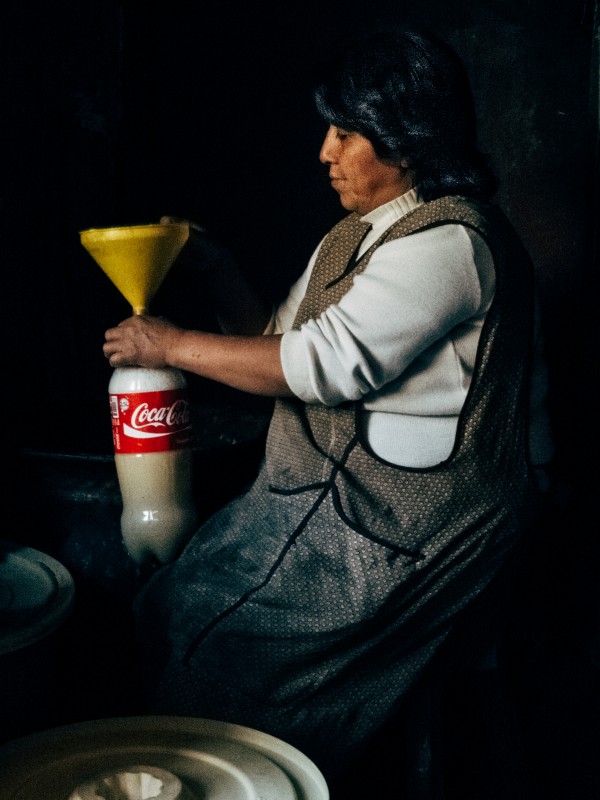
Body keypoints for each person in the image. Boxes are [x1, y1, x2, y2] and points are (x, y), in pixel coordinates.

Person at [103, 25, 554, 786]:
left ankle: (246, 776)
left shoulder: (450, 242)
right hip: (337, 498)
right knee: (169, 600)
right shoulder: (357, 236)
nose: (325, 151)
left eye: (345, 132)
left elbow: (319, 366)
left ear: (404, 138)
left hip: (420, 522)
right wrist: (213, 268)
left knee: (228, 648)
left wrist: (168, 346)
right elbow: (275, 344)